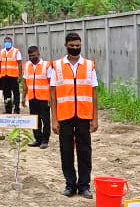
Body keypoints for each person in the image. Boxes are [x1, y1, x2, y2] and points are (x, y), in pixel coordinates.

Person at [49, 31, 98, 198]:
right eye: (72, 46)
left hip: (84, 116)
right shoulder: (56, 66)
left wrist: (95, 118)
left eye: (78, 46)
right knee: (66, 151)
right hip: (64, 116)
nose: (75, 48)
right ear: (66, 46)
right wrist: (54, 119)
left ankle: (84, 186)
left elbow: (93, 93)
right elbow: (53, 94)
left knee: (85, 151)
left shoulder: (89, 65)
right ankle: (70, 184)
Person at [23, 45, 52, 149]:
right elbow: (25, 82)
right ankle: (37, 139)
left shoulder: (46, 65)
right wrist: (23, 97)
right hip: (32, 97)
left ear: (39, 54)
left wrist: (50, 98)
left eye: (34, 55)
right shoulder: (27, 65)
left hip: (44, 98)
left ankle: (45, 140)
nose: (32, 57)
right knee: (34, 119)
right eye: (30, 56)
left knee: (45, 119)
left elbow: (51, 83)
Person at [0, 37, 22, 113]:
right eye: (6, 42)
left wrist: (19, 75)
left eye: (8, 42)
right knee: (6, 94)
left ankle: (16, 109)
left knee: (16, 93)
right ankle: (8, 109)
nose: (7, 43)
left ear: (11, 43)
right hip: (4, 76)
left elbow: (19, 64)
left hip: (14, 76)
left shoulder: (16, 51)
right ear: (4, 43)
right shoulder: (1, 52)